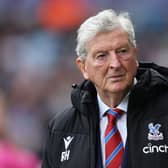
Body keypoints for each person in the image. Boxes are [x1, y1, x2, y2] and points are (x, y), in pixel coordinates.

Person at [42, 9, 168, 168]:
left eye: (122, 51)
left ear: (135, 56)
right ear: (83, 68)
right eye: (102, 56)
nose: (115, 64)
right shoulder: (62, 127)